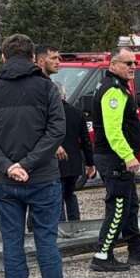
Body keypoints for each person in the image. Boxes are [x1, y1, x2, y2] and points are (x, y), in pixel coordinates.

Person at [0, 34, 73, 278]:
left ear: (3, 58)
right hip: (42, 177)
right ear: (33, 58)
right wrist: (28, 163)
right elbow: (56, 131)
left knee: (12, 241)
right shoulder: (47, 89)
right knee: (46, 239)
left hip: (5, 181)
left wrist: (8, 166)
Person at [90, 48, 140, 271]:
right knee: (119, 206)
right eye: (127, 63)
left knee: (130, 205)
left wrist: (139, 140)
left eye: (135, 63)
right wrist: (128, 156)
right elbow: (113, 130)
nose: (132, 66)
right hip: (113, 159)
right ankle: (102, 255)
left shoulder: (121, 88)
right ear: (113, 65)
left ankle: (136, 249)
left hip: (117, 157)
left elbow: (130, 120)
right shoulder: (112, 90)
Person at [56, 84, 94, 222]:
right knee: (70, 194)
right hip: (74, 162)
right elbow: (85, 141)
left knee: (57, 197)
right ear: (64, 95)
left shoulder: (48, 114)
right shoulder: (76, 112)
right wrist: (90, 163)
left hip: (56, 162)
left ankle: (60, 226)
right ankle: (75, 223)